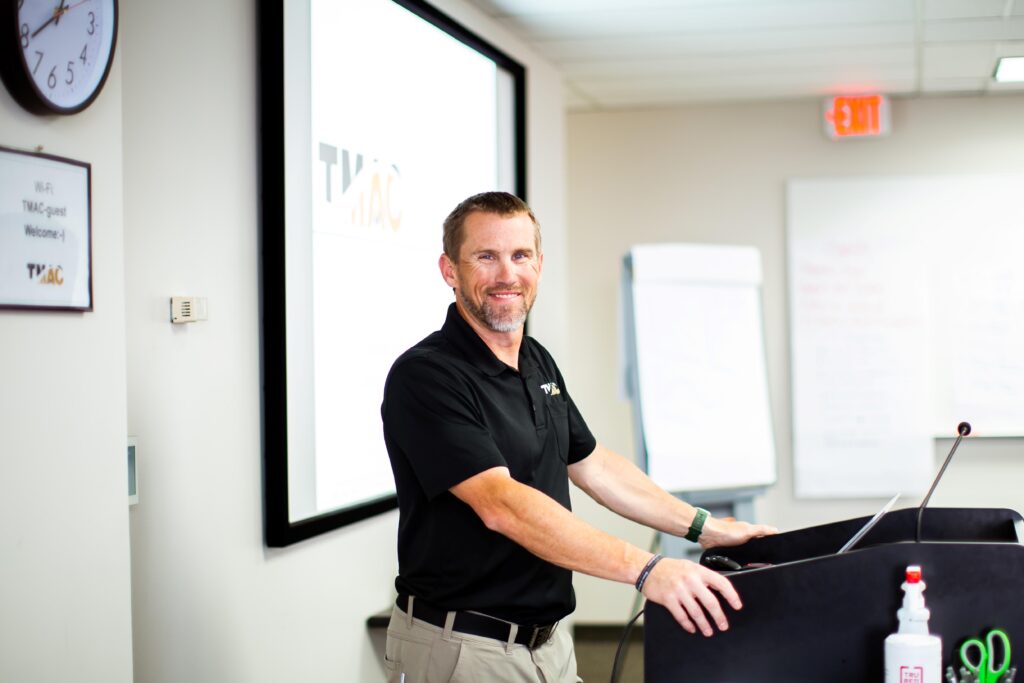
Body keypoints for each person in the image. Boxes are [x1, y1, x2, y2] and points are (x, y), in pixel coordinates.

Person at [381, 191, 776, 682]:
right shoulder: (426, 376)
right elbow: (502, 504)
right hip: (466, 648)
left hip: (550, 644)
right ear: (449, 270)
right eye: (486, 257)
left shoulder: (536, 360)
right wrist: (648, 569)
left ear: (539, 266)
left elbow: (593, 465)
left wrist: (705, 528)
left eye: (520, 255)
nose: (507, 274)